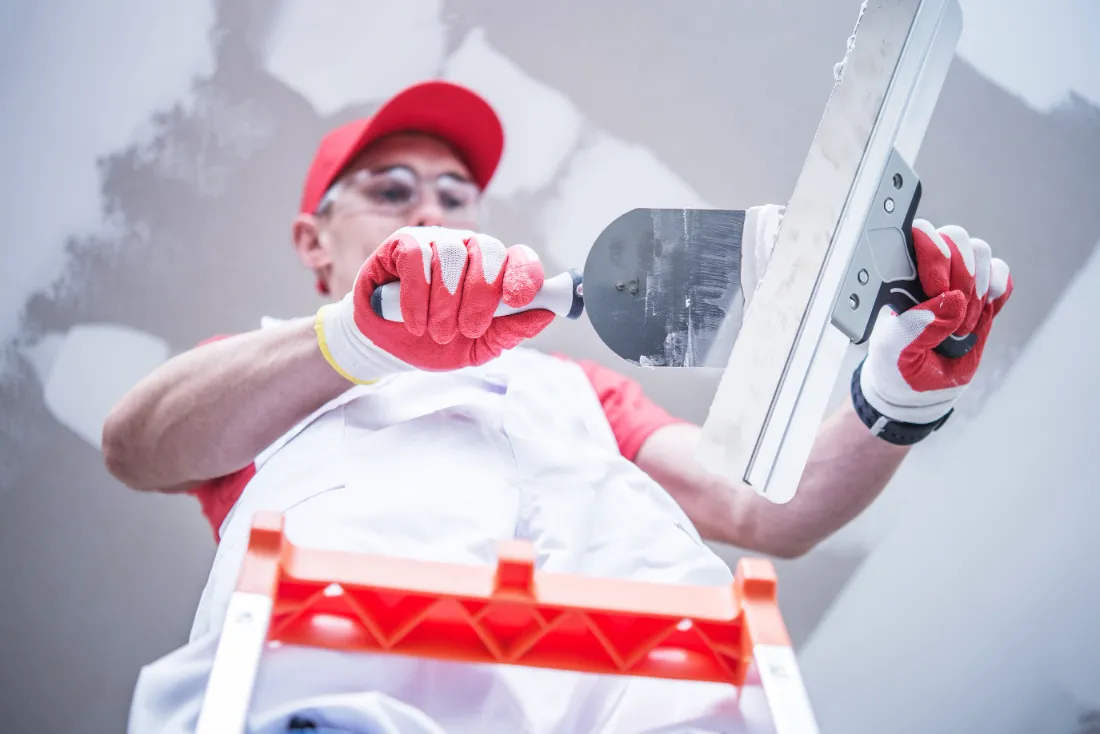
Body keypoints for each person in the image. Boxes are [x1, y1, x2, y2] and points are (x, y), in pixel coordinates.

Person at [105, 80, 1013, 733]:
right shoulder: (264, 371)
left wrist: (894, 399)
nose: (434, 211)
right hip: (338, 690)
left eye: (456, 196)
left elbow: (759, 509)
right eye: (393, 190)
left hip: (647, 692)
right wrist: (359, 341)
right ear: (314, 237)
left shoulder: (574, 388)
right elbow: (135, 447)